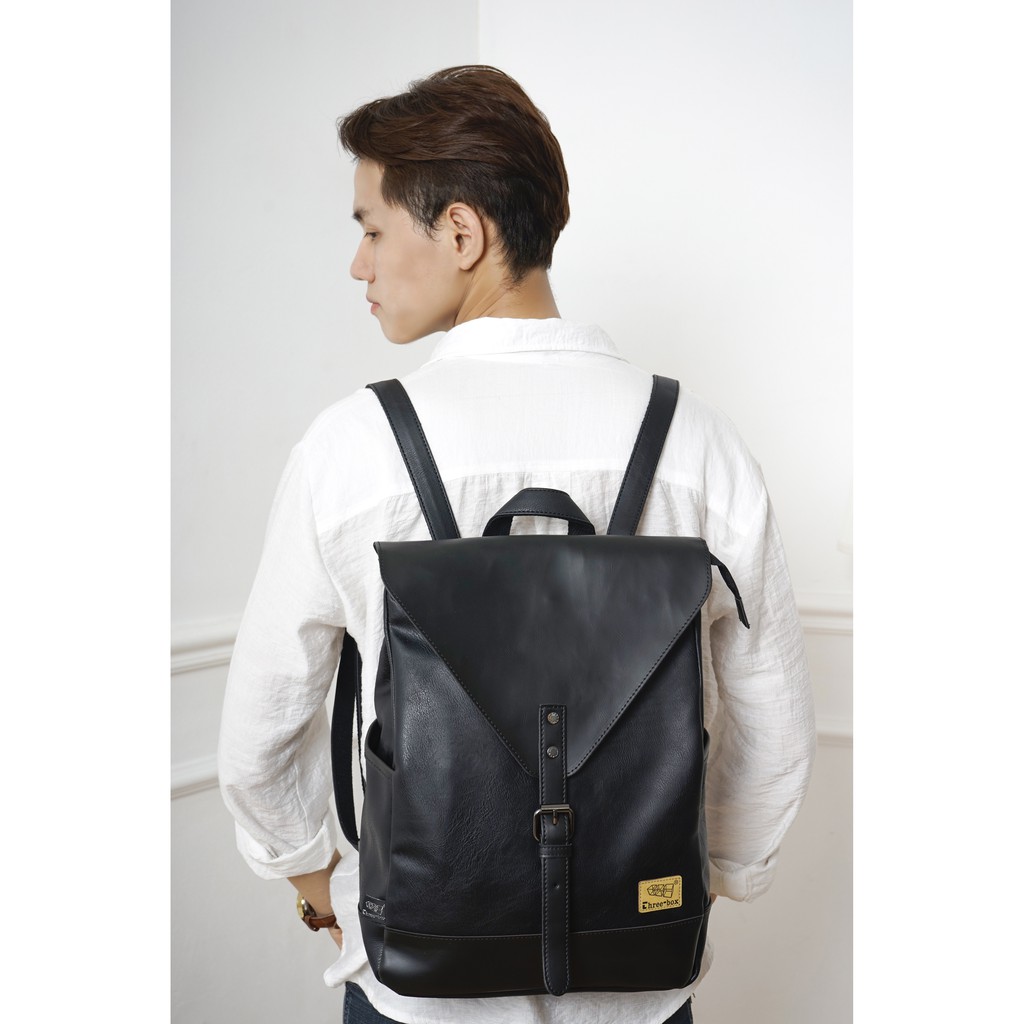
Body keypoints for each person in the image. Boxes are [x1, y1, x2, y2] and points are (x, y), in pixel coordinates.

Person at [218, 65, 815, 1024]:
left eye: (371, 229)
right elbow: (773, 718)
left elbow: (261, 731)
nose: (359, 265)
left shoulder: (352, 448)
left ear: (461, 233)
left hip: (415, 986)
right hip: (641, 987)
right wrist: (707, 878)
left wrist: (316, 885)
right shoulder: (698, 443)